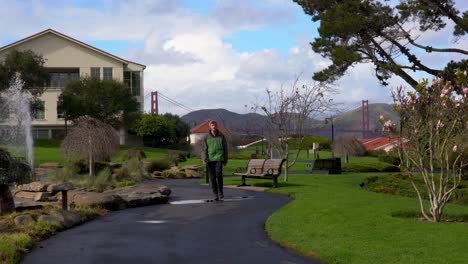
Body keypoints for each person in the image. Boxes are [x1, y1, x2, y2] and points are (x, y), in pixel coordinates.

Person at [201, 120, 228, 201]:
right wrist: (204, 158)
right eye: (212, 125)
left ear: (217, 126)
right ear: (210, 126)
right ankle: (215, 194)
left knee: (219, 175)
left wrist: (225, 158)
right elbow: (203, 149)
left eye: (215, 125)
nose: (214, 126)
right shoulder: (206, 137)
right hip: (210, 159)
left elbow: (225, 148)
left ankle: (221, 192)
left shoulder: (221, 136)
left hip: (219, 158)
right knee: (212, 177)